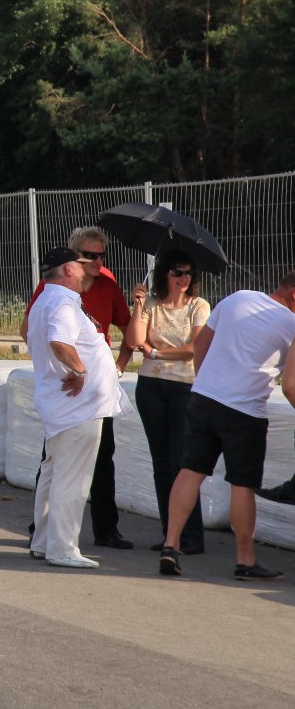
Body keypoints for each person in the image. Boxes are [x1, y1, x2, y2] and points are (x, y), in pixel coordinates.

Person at [159, 274, 295, 581]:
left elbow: (201, 344)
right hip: (245, 411)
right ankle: (245, 559)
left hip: (204, 399)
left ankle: (171, 544)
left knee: (190, 471)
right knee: (242, 484)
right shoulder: (291, 325)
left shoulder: (237, 297)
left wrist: (206, 381)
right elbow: (291, 383)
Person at [20, 225, 133, 549]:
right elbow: (54, 339)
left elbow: (127, 329)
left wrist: (115, 367)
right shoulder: (59, 296)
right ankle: (60, 545)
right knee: (70, 475)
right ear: (71, 264)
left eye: (101, 255)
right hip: (76, 399)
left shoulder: (101, 287)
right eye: (88, 256)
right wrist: (78, 369)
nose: (96, 262)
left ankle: (54, 539)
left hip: (83, 398)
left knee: (78, 465)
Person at [124, 250, 210, 554]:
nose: (183, 278)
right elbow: (134, 340)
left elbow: (193, 348)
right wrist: (137, 305)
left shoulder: (198, 306)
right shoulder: (151, 303)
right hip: (151, 386)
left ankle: (192, 535)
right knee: (161, 462)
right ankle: (169, 533)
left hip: (184, 387)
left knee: (181, 462)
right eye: (177, 272)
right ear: (164, 274)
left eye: (188, 272)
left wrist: (155, 352)